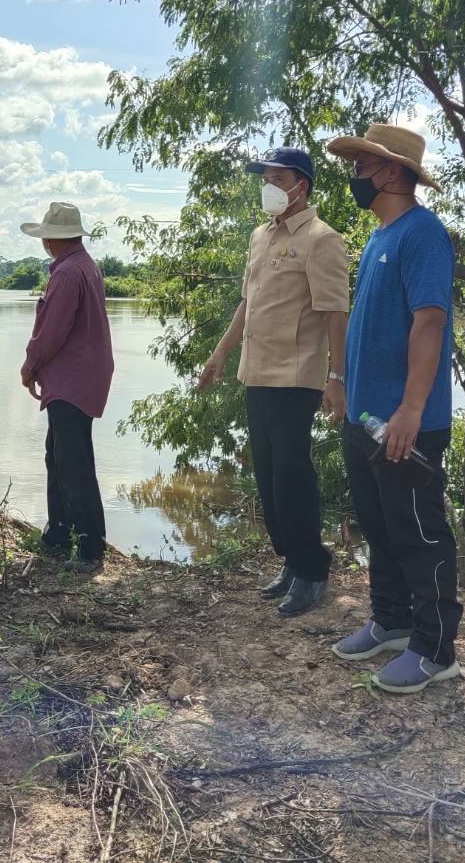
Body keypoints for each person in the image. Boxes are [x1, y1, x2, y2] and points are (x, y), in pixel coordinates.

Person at [322, 122, 461, 694]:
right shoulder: (381, 236)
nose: (354, 173)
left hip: (407, 423)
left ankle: (434, 648)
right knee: (380, 525)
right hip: (366, 417)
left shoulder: (423, 235)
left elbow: (429, 321)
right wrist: (344, 387)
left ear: (390, 172)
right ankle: (392, 620)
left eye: (361, 164)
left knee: (419, 533)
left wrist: (410, 408)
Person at [199, 147, 349, 616]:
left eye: (275, 177)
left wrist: (337, 376)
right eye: (263, 177)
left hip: (296, 375)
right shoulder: (261, 236)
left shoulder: (322, 240)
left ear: (300, 184)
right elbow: (247, 302)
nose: (266, 185)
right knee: (266, 473)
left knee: (291, 474)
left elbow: (334, 312)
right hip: (257, 372)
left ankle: (312, 570)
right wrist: (220, 354)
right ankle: (290, 559)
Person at [19, 202, 115, 572]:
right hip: (84, 376)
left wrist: (29, 367)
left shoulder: (66, 274)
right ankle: (58, 535)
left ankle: (89, 548)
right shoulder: (86, 266)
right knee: (60, 455)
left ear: (51, 241)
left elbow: (49, 334)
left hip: (71, 378)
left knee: (72, 462)